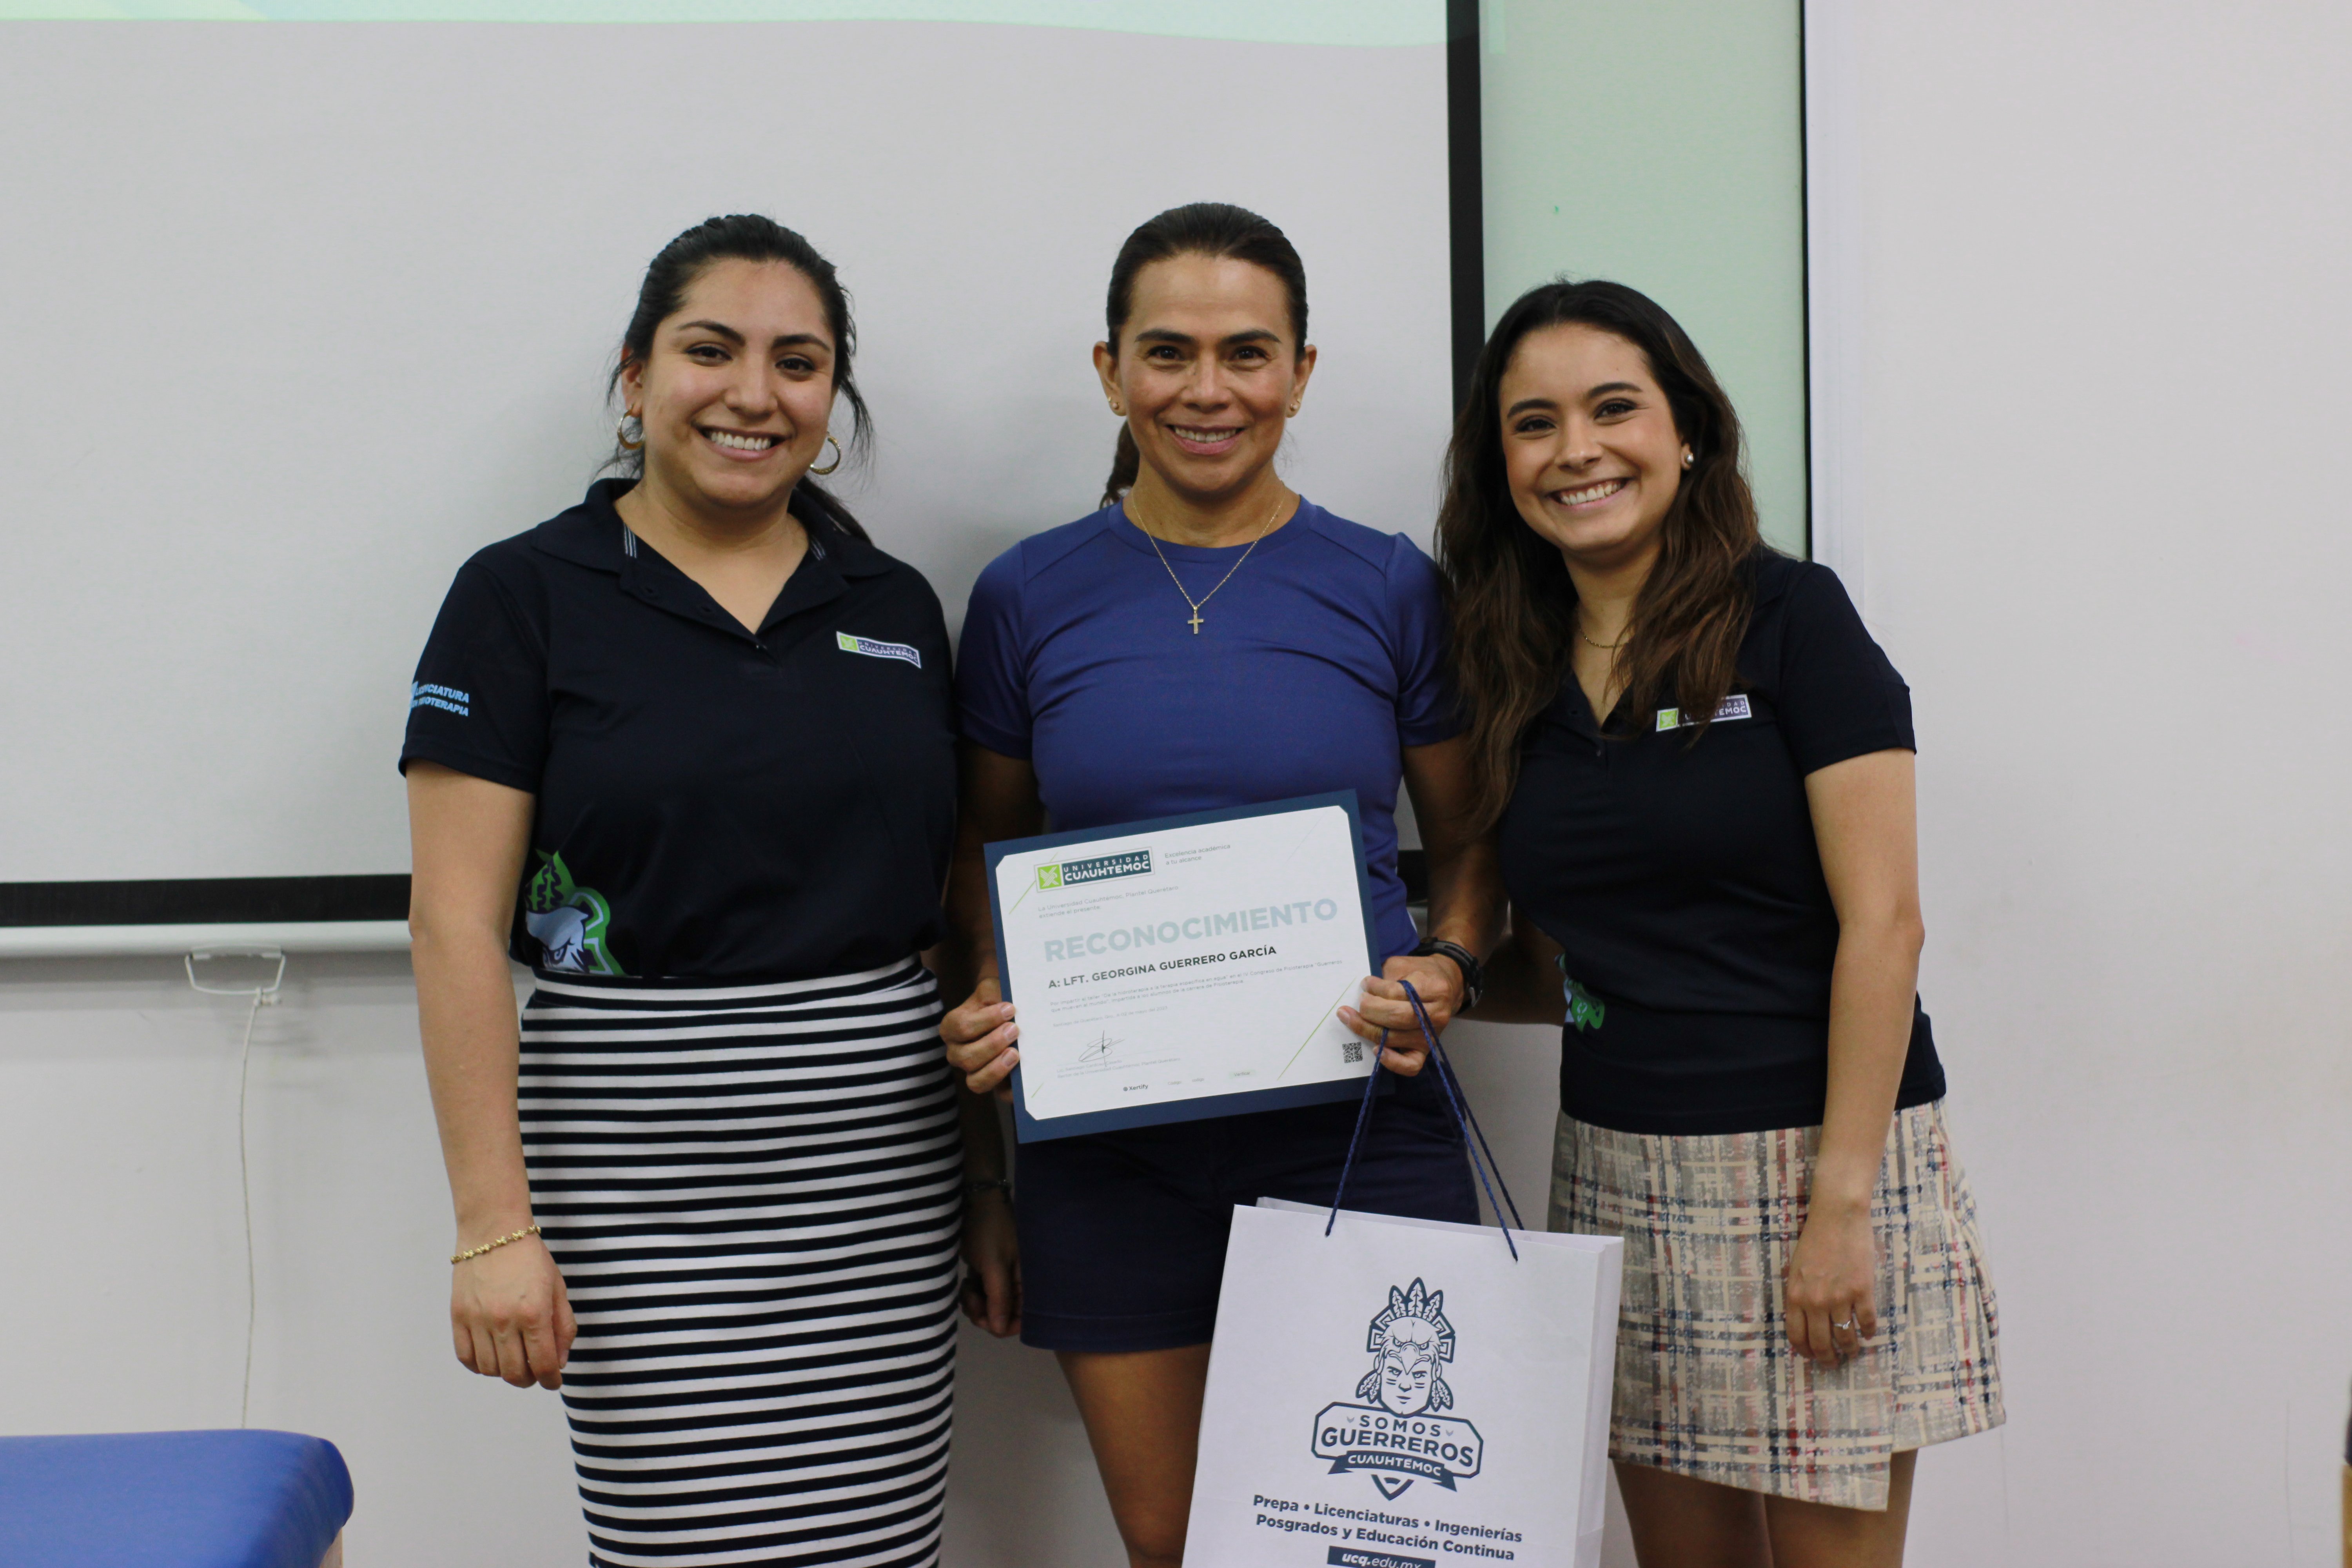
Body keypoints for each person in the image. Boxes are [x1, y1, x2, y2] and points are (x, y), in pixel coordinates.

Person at [401, 214, 1017, 1568]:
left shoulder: (896, 605)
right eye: (710, 350)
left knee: (877, 1547)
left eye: (798, 362)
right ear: (635, 378)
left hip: (876, 1185)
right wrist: (490, 1229)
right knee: (680, 1545)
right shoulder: (521, 599)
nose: (754, 393)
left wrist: (985, 1182)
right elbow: (451, 924)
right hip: (636, 1190)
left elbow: (959, 901)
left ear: (832, 401)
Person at [936, 202, 1495, 1568]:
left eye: (1247, 353)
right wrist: (992, 998)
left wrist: (1450, 963)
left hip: (1361, 1123)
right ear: (1109, 369)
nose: (1207, 391)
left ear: (1302, 372)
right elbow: (983, 859)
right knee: (1178, 1541)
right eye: (1167, 352)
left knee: (1379, 1539)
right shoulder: (1025, 595)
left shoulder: (1388, 585)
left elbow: (1473, 840)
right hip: (1109, 1146)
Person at [1443, 279, 2003, 1568]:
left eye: (1613, 408)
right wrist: (1426, 982)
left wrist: (1843, 1209)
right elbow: (1571, 963)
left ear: (1686, 429)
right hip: (1617, 1169)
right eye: (1534, 423)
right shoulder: (1506, 660)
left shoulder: (1794, 619)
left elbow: (1887, 928)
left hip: (1823, 1161)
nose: (1576, 449)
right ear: (1501, 464)